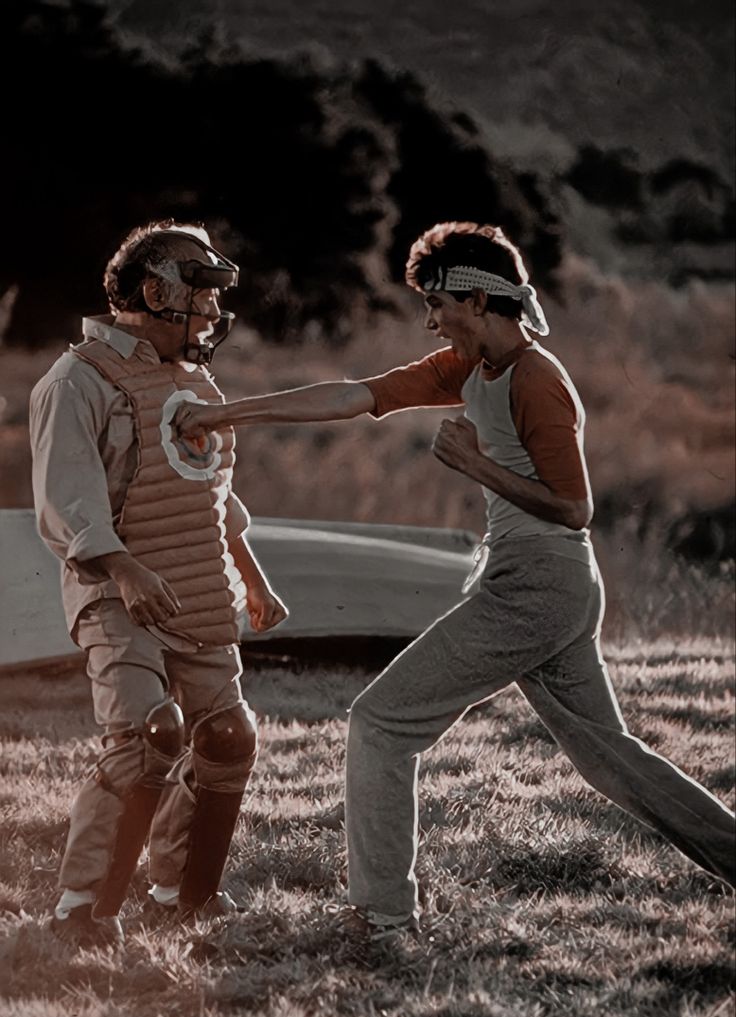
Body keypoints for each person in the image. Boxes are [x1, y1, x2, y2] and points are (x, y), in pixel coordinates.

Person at [176, 220, 735, 938]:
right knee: (610, 761)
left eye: (438, 304)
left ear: (476, 299)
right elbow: (354, 395)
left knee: (380, 723)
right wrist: (226, 413)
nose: (431, 320)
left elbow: (575, 507)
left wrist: (476, 465)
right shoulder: (469, 367)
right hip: (538, 584)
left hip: (538, 584)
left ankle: (381, 917)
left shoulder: (538, 379)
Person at [29, 220, 288, 947]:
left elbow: (211, 494)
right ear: (154, 291)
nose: (210, 315)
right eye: (199, 298)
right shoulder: (77, 380)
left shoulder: (194, 381)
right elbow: (65, 500)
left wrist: (254, 579)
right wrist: (122, 567)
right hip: (117, 593)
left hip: (198, 589)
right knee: (149, 736)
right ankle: (84, 906)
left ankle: (185, 892)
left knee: (227, 736)